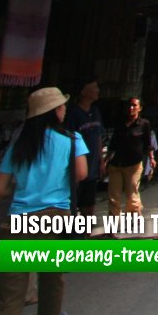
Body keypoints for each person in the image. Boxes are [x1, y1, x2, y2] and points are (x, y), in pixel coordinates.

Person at [0, 86, 88, 315]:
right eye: (62, 105)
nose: (65, 109)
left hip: (18, 222)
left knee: (11, 296)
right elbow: (81, 173)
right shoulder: (72, 140)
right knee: (51, 282)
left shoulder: (19, 147)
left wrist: (23, 185)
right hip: (55, 219)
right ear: (54, 111)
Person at [104, 97, 155, 230]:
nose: (131, 108)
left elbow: (148, 144)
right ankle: (112, 226)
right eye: (129, 105)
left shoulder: (144, 124)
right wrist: (105, 162)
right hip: (116, 164)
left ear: (140, 108)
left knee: (132, 194)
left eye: (134, 105)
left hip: (134, 165)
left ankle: (135, 217)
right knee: (114, 196)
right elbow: (113, 144)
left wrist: (152, 159)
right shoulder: (120, 123)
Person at [63, 77, 103, 218]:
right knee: (72, 204)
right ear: (84, 92)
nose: (98, 90)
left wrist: (101, 160)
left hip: (92, 166)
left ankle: (85, 234)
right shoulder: (73, 113)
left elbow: (98, 136)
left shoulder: (96, 111)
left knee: (89, 204)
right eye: (94, 87)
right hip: (76, 166)